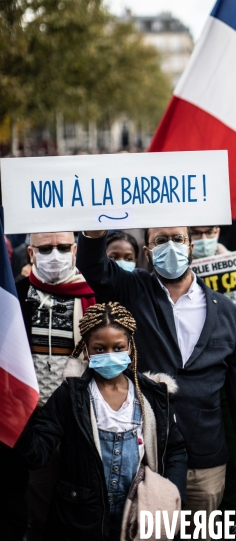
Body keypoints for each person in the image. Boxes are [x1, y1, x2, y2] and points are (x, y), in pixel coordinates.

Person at [77, 226, 236, 539]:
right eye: (161, 240)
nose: (171, 247)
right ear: (148, 252)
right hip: (149, 453)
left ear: (190, 246)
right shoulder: (135, 289)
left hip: (207, 455)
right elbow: (94, 268)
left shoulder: (227, 311)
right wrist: (94, 235)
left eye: (178, 239)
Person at [17, 302, 187, 541]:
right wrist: (17, 420)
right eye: (100, 349)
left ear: (130, 347)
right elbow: (38, 453)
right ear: (86, 349)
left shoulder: (152, 396)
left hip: (140, 513)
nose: (109, 355)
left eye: (118, 347)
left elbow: (175, 448)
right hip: (82, 520)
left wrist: (172, 492)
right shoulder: (70, 396)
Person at [16, 231, 96, 541]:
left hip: (82, 419)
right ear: (31, 253)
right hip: (33, 420)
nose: (55, 255)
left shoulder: (94, 295)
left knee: (83, 511)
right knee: (38, 511)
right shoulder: (15, 296)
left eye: (63, 247)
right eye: (46, 248)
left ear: (75, 249)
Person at [191, 224, 236, 534]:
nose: (203, 239)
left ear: (219, 229)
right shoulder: (167, 273)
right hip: (190, 384)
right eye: (196, 233)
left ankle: (231, 523)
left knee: (234, 460)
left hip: (226, 378)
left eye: (209, 231)